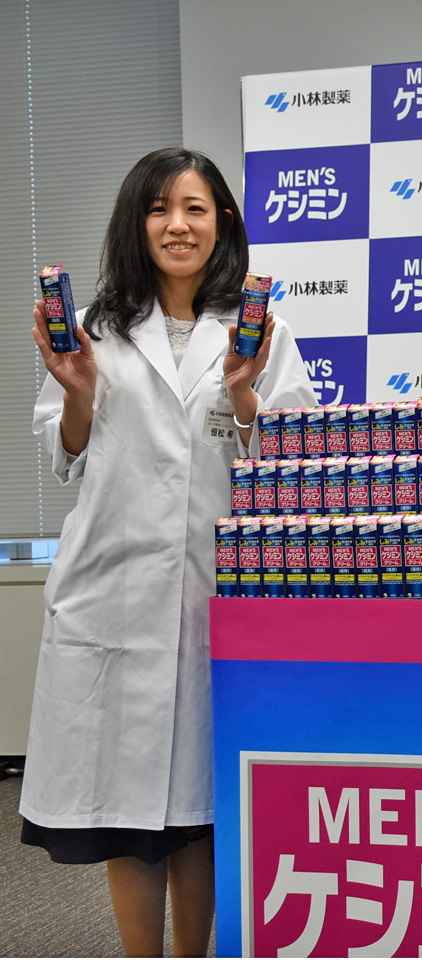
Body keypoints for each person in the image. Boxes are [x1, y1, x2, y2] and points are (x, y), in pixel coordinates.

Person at [22, 147, 315, 956]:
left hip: (217, 594)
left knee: (202, 809)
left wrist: (246, 393)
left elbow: (292, 466)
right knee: (125, 812)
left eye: (194, 208)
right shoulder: (95, 331)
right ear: (136, 223)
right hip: (112, 593)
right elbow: (64, 456)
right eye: (159, 208)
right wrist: (79, 396)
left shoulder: (264, 332)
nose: (177, 225)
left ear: (223, 221)